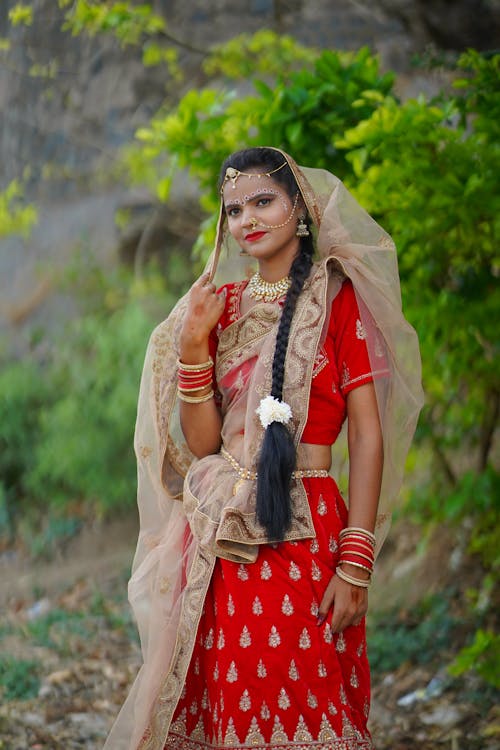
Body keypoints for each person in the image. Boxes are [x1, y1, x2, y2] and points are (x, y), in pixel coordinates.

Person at [103, 147, 423, 750]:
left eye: (262, 201)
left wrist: (356, 561)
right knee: (236, 708)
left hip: (308, 529)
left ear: (298, 207)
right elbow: (203, 444)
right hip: (226, 540)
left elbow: (368, 435)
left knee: (314, 705)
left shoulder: (339, 297)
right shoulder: (220, 308)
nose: (245, 219)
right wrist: (195, 343)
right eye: (232, 209)